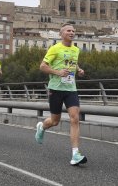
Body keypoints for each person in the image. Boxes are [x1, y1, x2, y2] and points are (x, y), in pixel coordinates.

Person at [35, 23, 87, 166]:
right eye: (68, 30)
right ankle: (42, 127)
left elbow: (72, 63)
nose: (71, 32)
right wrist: (58, 72)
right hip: (56, 88)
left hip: (71, 88)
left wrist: (79, 70)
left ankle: (75, 154)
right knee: (54, 121)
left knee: (75, 118)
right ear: (61, 33)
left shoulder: (76, 50)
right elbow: (42, 66)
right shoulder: (55, 48)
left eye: (73, 31)